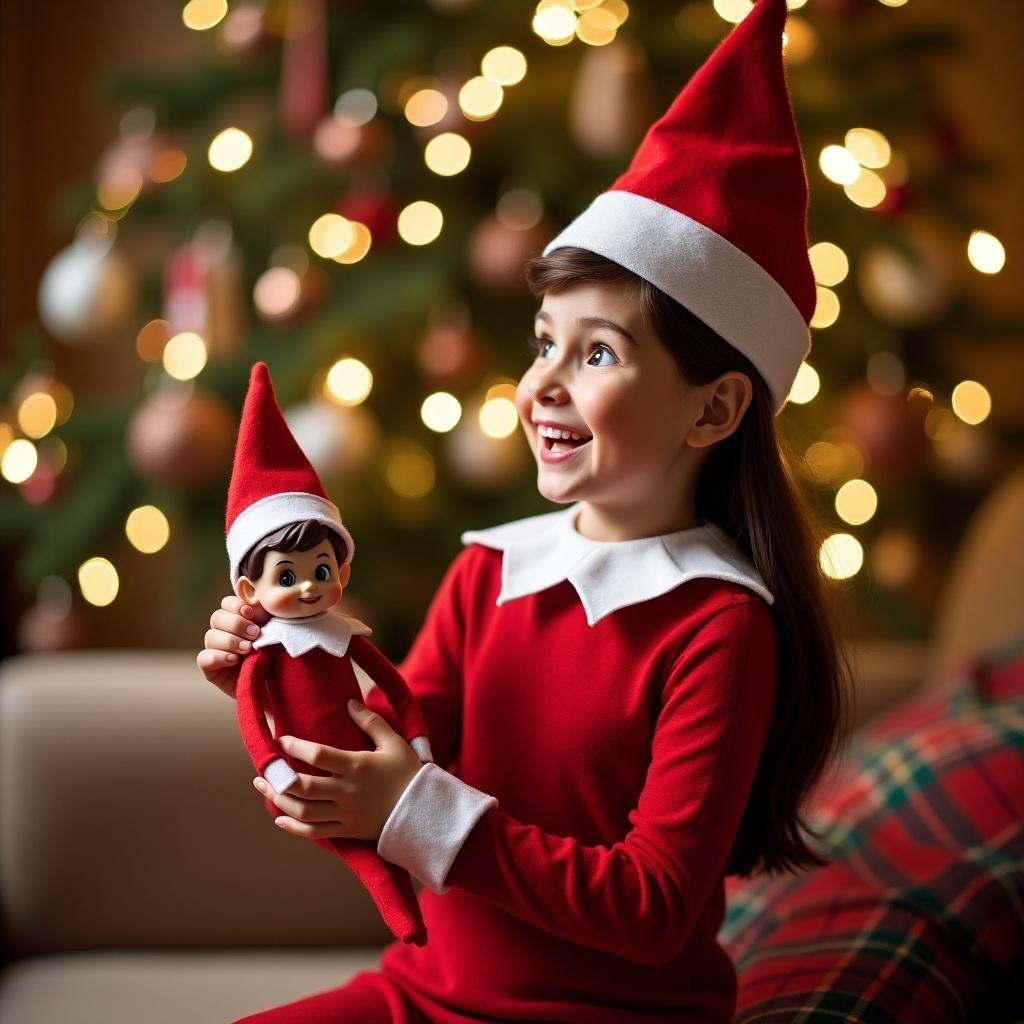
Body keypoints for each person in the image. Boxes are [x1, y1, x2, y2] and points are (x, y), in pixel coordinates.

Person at [198, 0, 852, 1019]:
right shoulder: (488, 573)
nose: (540, 382)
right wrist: (279, 672)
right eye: (544, 341)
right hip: (422, 995)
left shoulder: (720, 626)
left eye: (595, 352)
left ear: (713, 406)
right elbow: (380, 759)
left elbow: (652, 905)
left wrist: (415, 805)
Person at [224, 361, 434, 947]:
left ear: (342, 569)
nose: (310, 587)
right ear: (250, 592)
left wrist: (416, 745)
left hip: (371, 767)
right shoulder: (264, 650)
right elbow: (249, 711)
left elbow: (395, 687)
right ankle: (402, 912)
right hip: (302, 783)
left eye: (321, 570)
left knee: (378, 854)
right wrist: (273, 766)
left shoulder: (346, 635)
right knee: (364, 858)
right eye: (287, 576)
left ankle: (406, 909)